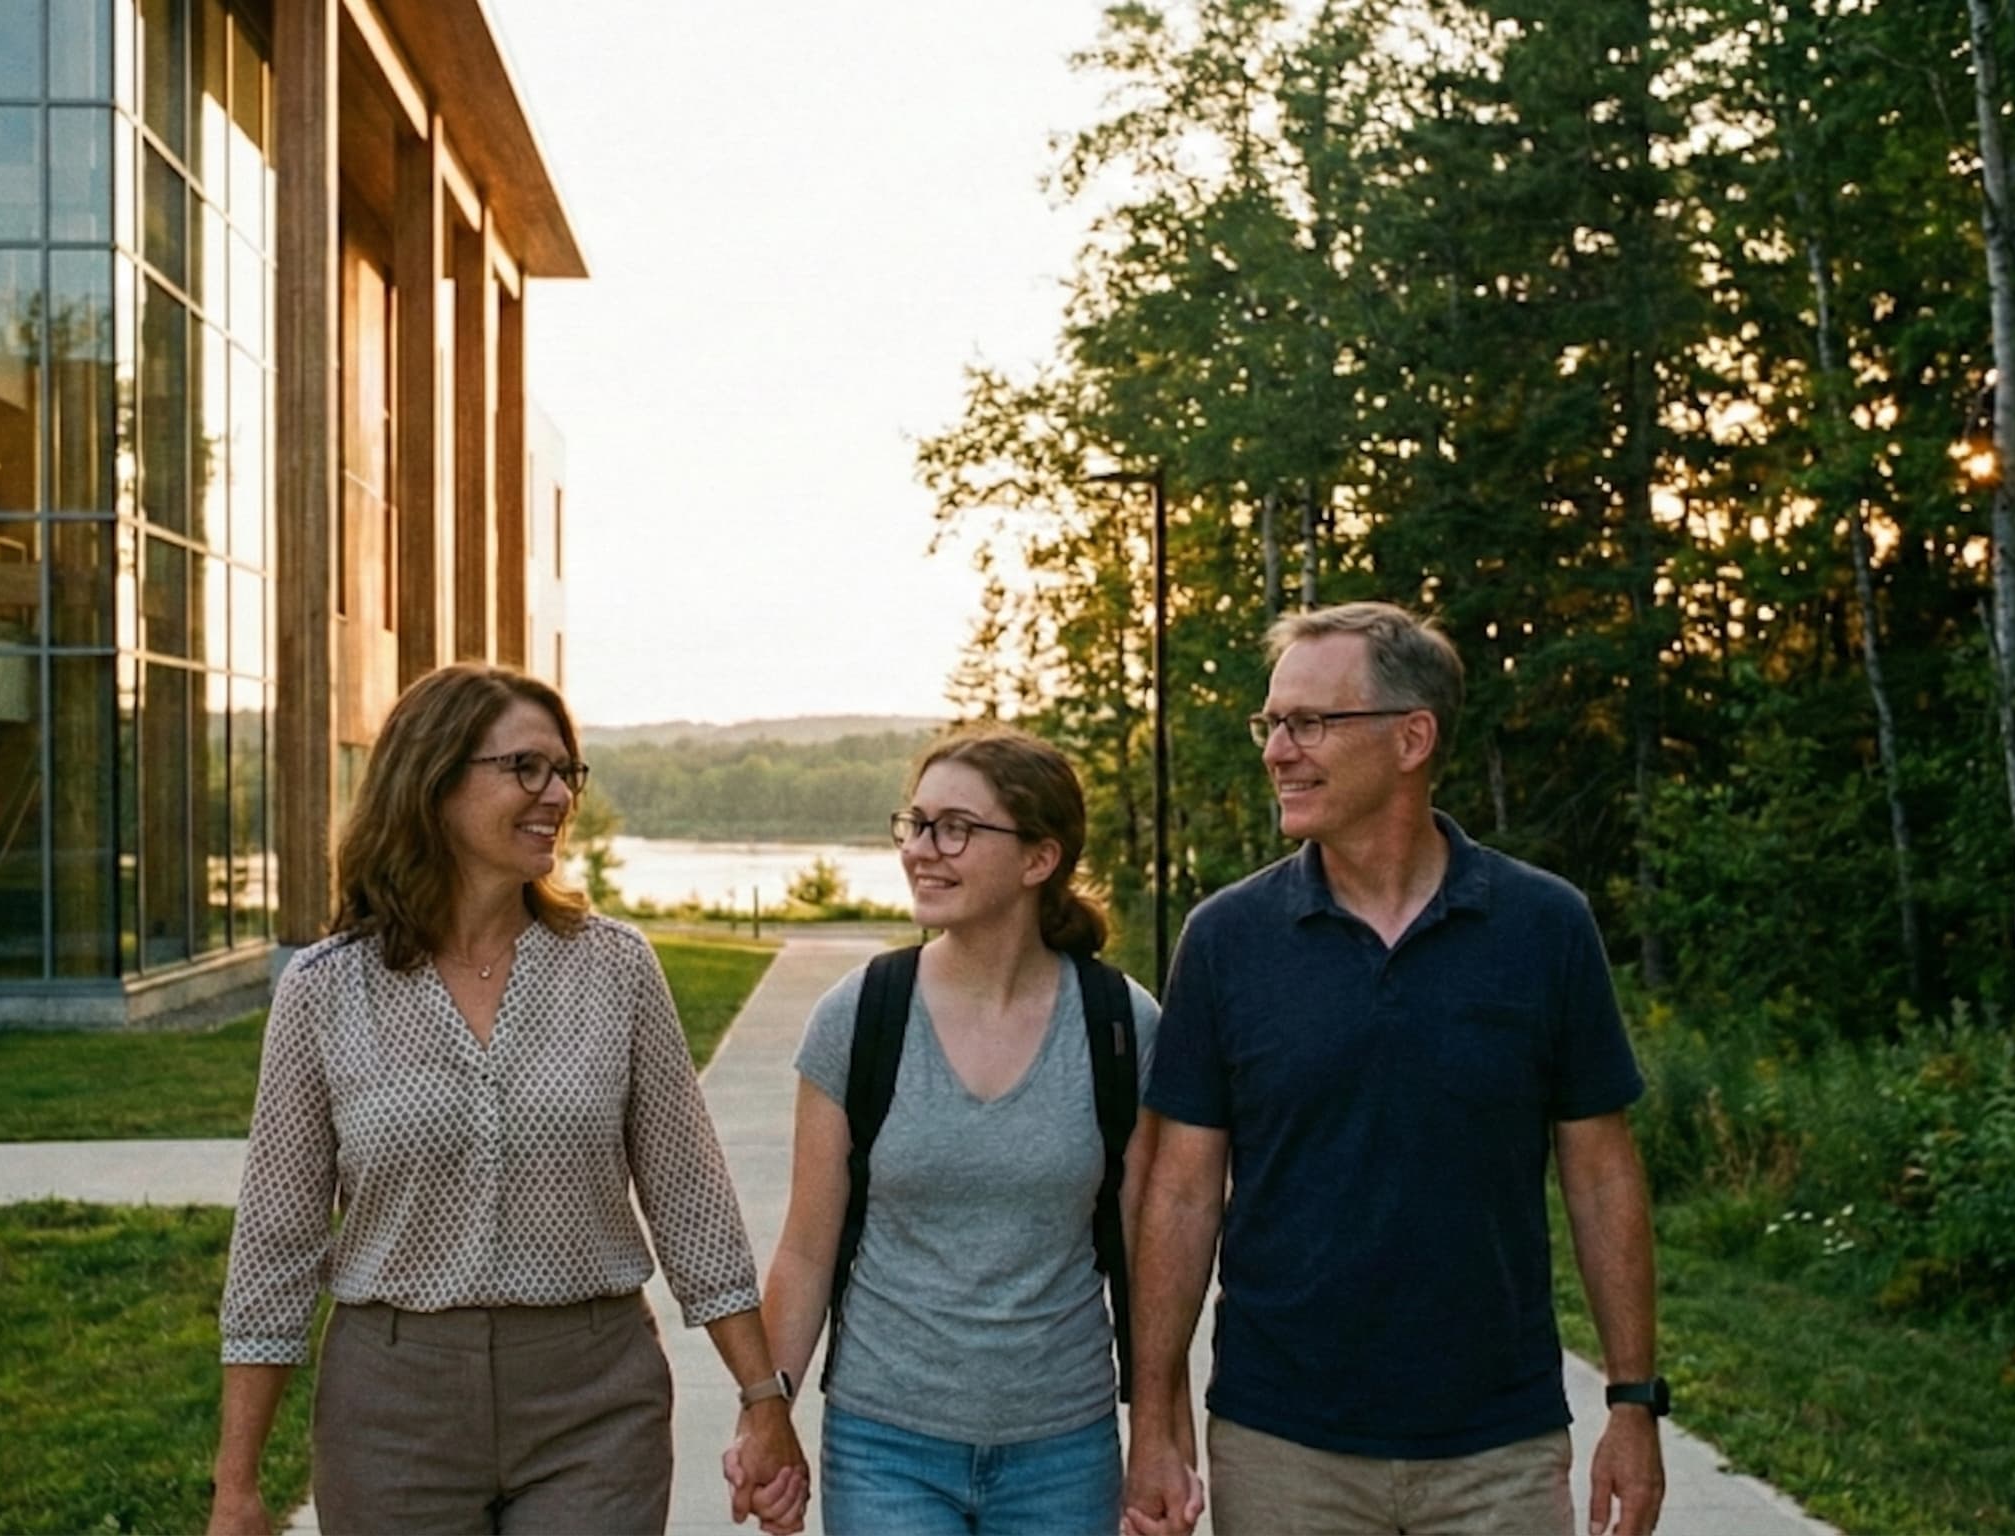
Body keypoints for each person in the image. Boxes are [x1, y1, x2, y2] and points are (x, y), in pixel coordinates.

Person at [207, 663, 807, 1536]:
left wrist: (762, 1400)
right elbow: (276, 1244)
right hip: (392, 1409)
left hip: (594, 1402)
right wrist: (236, 1485)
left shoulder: (616, 968)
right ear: (433, 781)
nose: (557, 795)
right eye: (525, 768)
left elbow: (694, 1206)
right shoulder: (326, 989)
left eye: (565, 771)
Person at [1122, 602, 1667, 1536]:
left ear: (1412, 738)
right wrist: (1157, 1423)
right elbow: (1180, 1195)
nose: (1277, 751)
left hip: (1499, 1449)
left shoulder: (1545, 928)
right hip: (1282, 1444)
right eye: (1271, 724)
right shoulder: (1226, 939)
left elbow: (1602, 1176)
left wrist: (1633, 1402)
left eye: (1309, 723)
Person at [735, 725, 1181, 1536]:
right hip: (884, 1446)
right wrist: (765, 1414)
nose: (920, 850)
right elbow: (805, 1249)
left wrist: (1159, 1438)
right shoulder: (859, 1017)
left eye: (955, 829)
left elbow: (1149, 1259)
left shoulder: (1120, 1026)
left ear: (1039, 859)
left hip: (1064, 1450)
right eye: (916, 824)